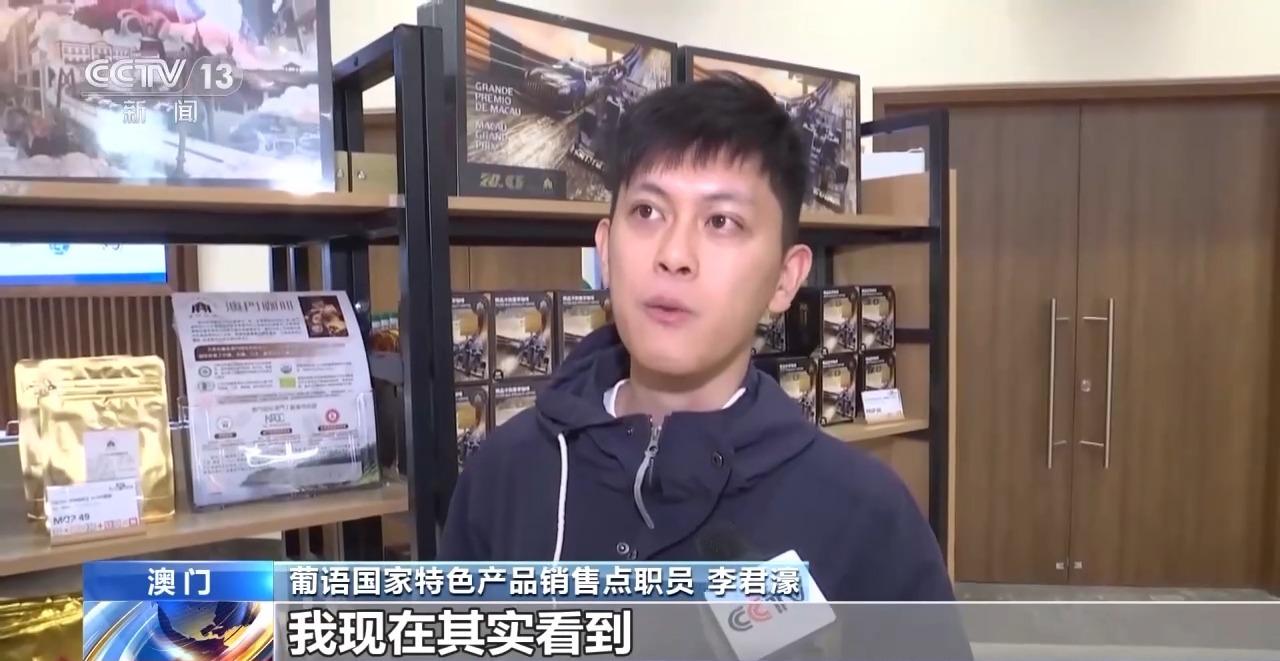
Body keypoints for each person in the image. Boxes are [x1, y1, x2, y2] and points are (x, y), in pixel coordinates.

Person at [439, 73, 955, 602]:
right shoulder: (503, 475)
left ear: (785, 279)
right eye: (647, 211)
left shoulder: (868, 518)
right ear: (606, 250)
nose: (674, 254)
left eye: (722, 221)